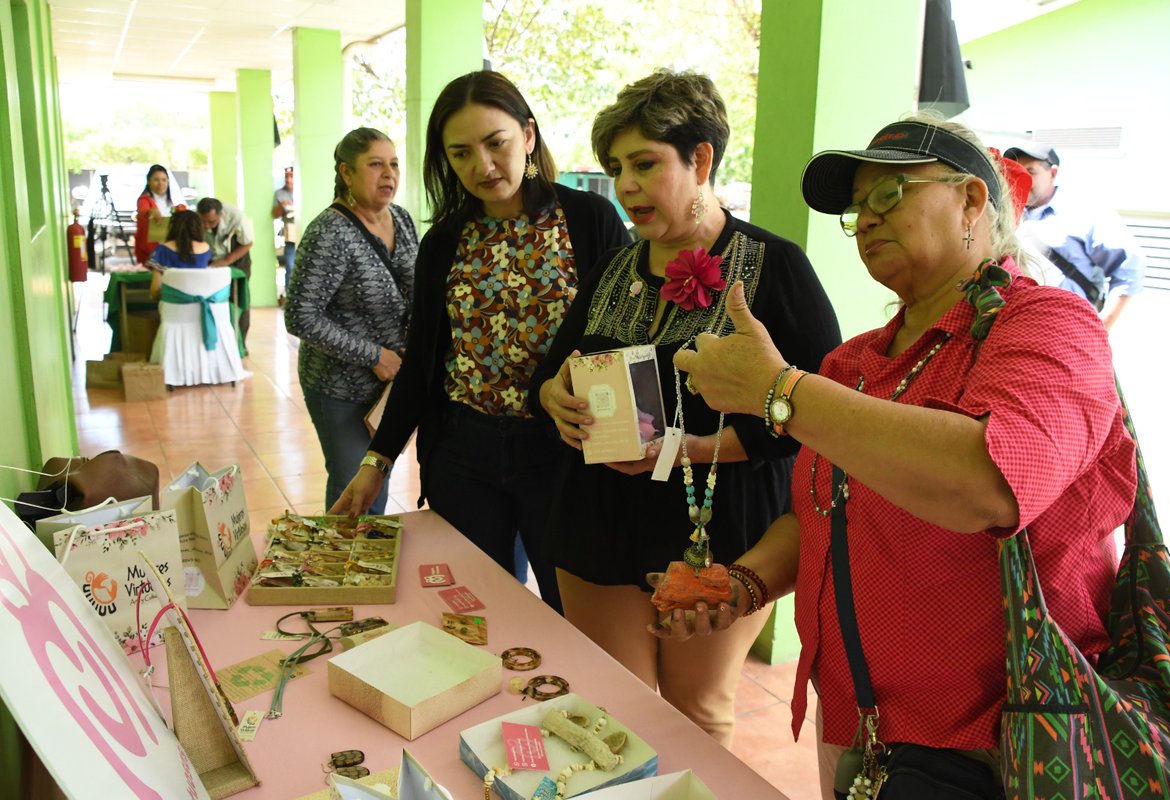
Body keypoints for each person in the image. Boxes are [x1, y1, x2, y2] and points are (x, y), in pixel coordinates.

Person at [668, 115, 1138, 794]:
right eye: (857, 208)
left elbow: (987, 482)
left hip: (1004, 745)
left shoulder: (1049, 325)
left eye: (889, 194)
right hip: (862, 727)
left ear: (972, 200)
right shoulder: (851, 362)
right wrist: (742, 582)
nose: (865, 221)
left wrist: (779, 389)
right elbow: (818, 517)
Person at [530, 70, 841, 746]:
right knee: (613, 712)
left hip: (719, 528)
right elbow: (552, 373)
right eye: (616, 168)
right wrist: (554, 396)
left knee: (696, 716)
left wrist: (692, 450)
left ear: (699, 159)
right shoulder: (614, 267)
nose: (627, 186)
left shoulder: (775, 267)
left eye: (645, 164)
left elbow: (826, 415)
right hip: (597, 523)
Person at [331, 71, 629, 615]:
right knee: (478, 615)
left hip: (562, 454)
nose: (483, 167)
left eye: (497, 144)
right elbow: (423, 360)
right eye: (461, 154)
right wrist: (378, 460)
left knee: (571, 615)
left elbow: (625, 335)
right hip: (464, 456)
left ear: (529, 136)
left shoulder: (588, 220)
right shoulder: (446, 240)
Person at [285, 128, 419, 515]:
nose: (389, 174)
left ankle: (368, 568)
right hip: (339, 388)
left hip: (390, 387)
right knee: (353, 491)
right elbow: (300, 315)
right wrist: (373, 354)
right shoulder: (330, 232)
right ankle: (341, 569)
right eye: (375, 165)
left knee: (378, 479)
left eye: (393, 164)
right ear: (346, 172)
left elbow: (417, 290)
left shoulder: (402, 220)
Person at [1003, 142, 1144, 330]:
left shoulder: (1084, 212)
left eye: (1031, 172)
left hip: (1070, 330)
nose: (1022, 179)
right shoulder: (1006, 215)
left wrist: (1101, 327)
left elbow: (1129, 268)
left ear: (1052, 173)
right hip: (1019, 329)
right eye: (1016, 172)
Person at [197, 197, 255, 345]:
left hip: (237, 257)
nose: (207, 226)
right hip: (211, 259)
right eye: (203, 222)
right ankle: (216, 341)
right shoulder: (197, 219)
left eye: (211, 222)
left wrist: (226, 262)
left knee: (239, 299)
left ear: (220, 214)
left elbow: (247, 243)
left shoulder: (236, 216)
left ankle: (239, 343)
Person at [146, 210, 212, 300]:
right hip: (200, 308)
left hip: (173, 308)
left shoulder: (162, 250)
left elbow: (155, 291)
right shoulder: (206, 249)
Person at [134, 164, 177, 265]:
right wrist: (150, 211)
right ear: (148, 181)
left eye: (164, 180)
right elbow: (143, 212)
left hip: (167, 247)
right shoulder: (144, 200)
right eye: (156, 180)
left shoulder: (170, 202)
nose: (160, 184)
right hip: (149, 251)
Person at [274, 166, 297, 300]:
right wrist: (281, 206)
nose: (288, 179)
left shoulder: (303, 190)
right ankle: (289, 297)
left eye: (291, 176)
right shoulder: (279, 193)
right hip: (290, 233)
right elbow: (274, 215)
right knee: (290, 265)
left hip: (304, 230)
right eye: (286, 176)